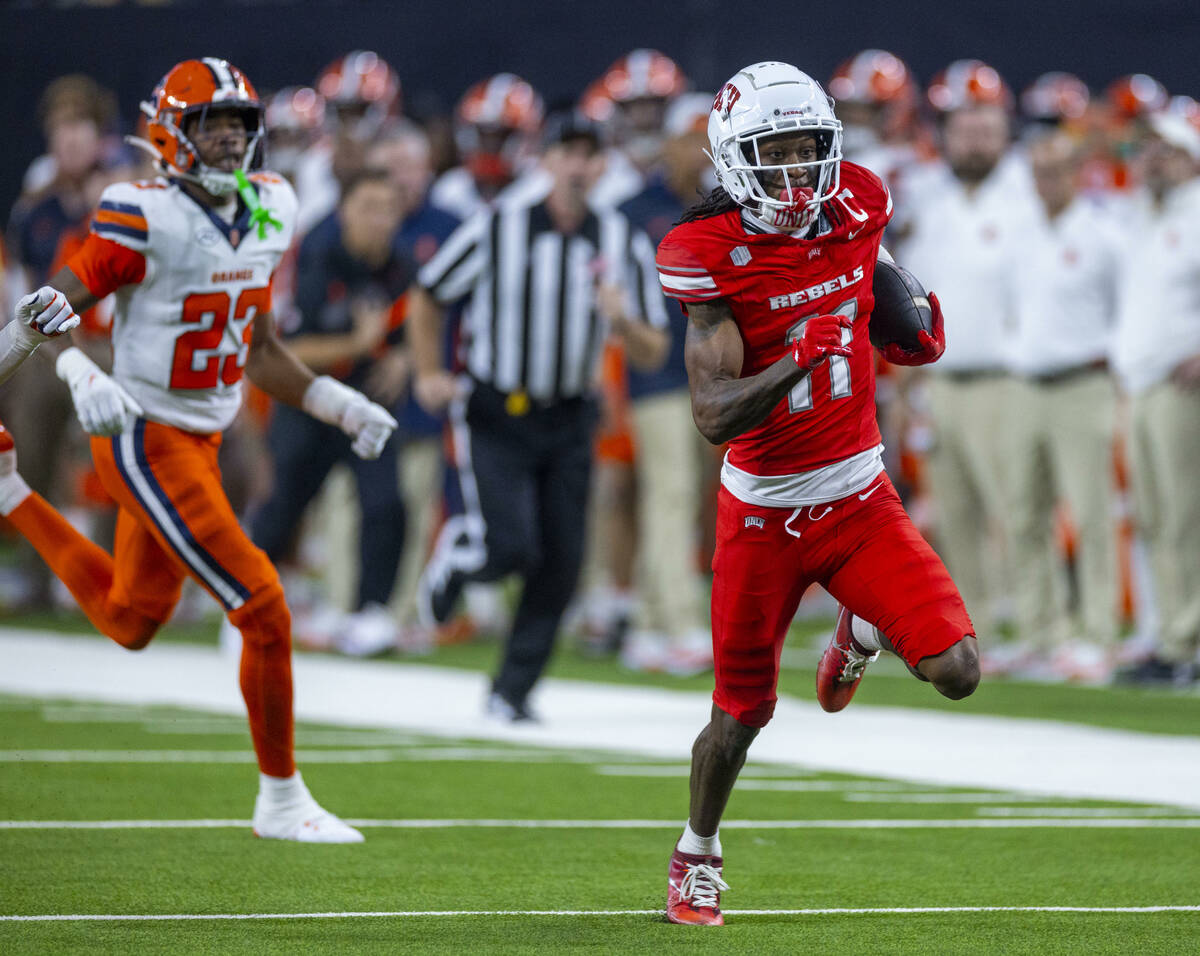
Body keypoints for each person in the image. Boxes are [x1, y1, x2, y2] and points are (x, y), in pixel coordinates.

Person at [0, 58, 397, 841]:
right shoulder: (140, 212)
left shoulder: (273, 206)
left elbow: (254, 341)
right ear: (169, 132)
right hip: (144, 433)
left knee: (131, 619)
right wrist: (80, 370)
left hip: (204, 432)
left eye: (238, 126)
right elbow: (49, 308)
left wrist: (334, 401)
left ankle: (10, 493)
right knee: (263, 605)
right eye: (211, 125)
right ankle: (281, 799)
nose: (226, 140)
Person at [655, 61, 977, 926]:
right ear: (732, 159)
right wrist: (801, 352)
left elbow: (868, 263)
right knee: (739, 715)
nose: (799, 176)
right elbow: (713, 414)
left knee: (958, 670)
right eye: (777, 154)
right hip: (761, 513)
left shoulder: (860, 203)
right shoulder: (704, 253)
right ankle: (697, 854)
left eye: (811, 151)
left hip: (861, 496)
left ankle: (860, 625)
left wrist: (897, 303)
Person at [408, 114, 669, 721]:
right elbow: (428, 293)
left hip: (571, 415)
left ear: (603, 166)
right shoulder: (499, 226)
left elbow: (653, 348)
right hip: (499, 407)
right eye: (567, 152)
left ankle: (511, 692)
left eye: (589, 154)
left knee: (562, 560)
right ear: (545, 161)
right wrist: (426, 372)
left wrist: (622, 318)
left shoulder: (619, 238)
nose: (579, 165)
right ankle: (460, 555)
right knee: (511, 545)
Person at [249, 168, 412, 657]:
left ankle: (372, 614)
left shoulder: (400, 265)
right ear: (344, 211)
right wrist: (357, 342)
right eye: (369, 208)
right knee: (284, 507)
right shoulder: (316, 255)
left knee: (386, 504)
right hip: (312, 400)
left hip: (367, 400)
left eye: (389, 209)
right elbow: (282, 350)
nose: (380, 220)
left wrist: (403, 356)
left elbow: (419, 319)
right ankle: (245, 598)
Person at [901, 60, 1037, 640]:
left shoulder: (1030, 193)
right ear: (944, 132)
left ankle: (1035, 621)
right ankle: (973, 620)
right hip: (939, 381)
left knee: (1016, 508)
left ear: (1005, 130)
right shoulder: (924, 198)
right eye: (963, 126)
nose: (975, 137)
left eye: (985, 125)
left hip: (1003, 378)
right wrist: (908, 384)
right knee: (954, 513)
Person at [1005, 131, 1122, 678]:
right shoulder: (1020, 231)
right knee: (1024, 513)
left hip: (1083, 384)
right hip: (1026, 387)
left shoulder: (1103, 235)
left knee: (1091, 512)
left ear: (1078, 173)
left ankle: (1099, 633)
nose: (1045, 183)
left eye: (1055, 172)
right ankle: (1041, 631)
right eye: (1038, 173)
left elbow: (1129, 308)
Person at [1111, 111, 1200, 685]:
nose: (1153, 158)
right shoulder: (1142, 213)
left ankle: (1189, 641)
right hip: (1140, 385)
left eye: (1166, 148)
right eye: (1147, 148)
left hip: (1181, 384)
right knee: (1157, 518)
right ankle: (1171, 636)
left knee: (1187, 516)